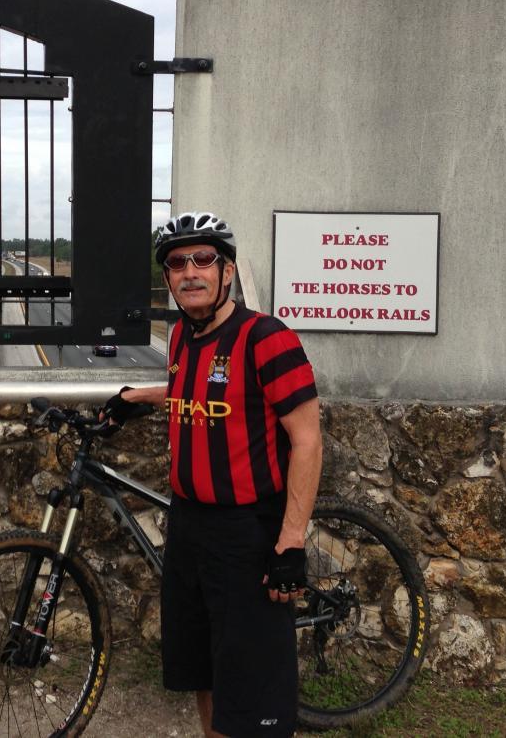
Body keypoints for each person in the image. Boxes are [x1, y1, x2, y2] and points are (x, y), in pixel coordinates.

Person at [103, 211, 322, 738]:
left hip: (247, 531)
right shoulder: (180, 337)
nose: (190, 272)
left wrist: (291, 540)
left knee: (251, 687)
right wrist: (140, 398)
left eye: (204, 259)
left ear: (226, 272)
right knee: (206, 668)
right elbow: (196, 392)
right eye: (177, 263)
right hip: (189, 525)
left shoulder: (266, 338)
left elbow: (308, 439)